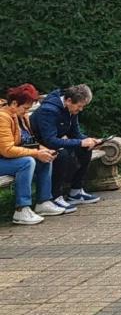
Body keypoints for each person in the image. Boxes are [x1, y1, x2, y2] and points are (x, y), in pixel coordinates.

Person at [30, 84, 102, 208]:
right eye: (79, 106)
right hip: (38, 146)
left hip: (53, 143)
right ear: (68, 101)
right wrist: (80, 142)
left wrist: (90, 141)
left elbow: (75, 134)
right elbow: (50, 140)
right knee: (61, 154)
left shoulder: (71, 109)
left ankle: (75, 191)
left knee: (85, 149)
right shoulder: (49, 110)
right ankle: (56, 196)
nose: (81, 110)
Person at [1, 85, 62, 225]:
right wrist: (36, 153)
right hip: (3, 159)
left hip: (6, 159)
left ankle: (43, 202)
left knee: (45, 158)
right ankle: (21, 209)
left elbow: (28, 142)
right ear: (14, 103)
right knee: (27, 162)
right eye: (25, 108)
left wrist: (44, 150)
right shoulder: (3, 117)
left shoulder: (19, 116)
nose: (27, 112)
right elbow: (7, 150)